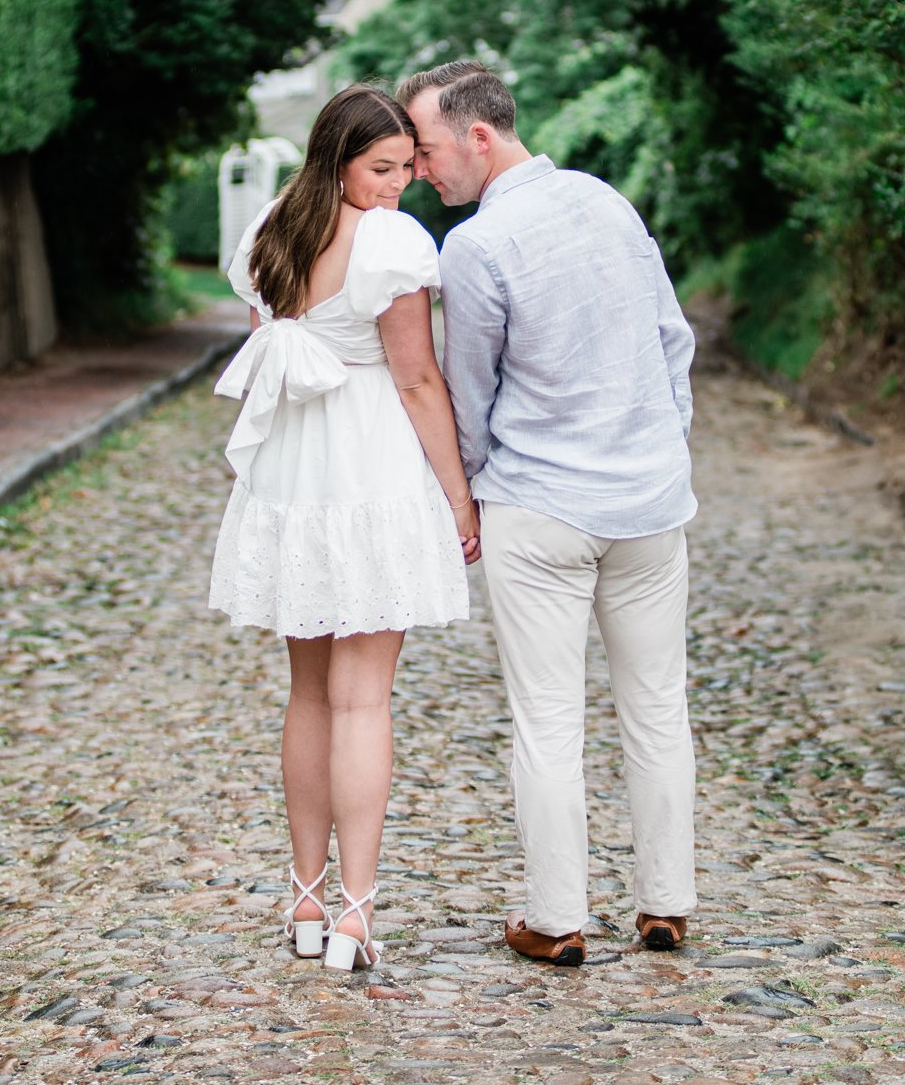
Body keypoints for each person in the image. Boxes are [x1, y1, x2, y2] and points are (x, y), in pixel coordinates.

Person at [400, 59, 698, 967]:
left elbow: (470, 391)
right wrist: (659, 445)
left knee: (546, 717)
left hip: (542, 508)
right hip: (649, 502)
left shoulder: (477, 247)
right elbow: (672, 340)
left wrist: (477, 495)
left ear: (478, 138)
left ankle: (558, 917)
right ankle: (666, 906)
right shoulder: (608, 201)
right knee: (656, 705)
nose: (421, 171)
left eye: (427, 150)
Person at [207, 84, 480, 973]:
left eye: (408, 167)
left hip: (294, 476)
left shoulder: (270, 234)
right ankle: (355, 913)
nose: (400, 185)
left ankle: (304, 901)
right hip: (369, 470)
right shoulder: (391, 244)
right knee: (363, 699)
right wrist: (458, 494)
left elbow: (278, 355)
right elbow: (416, 381)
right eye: (382, 168)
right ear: (338, 159)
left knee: (309, 694)